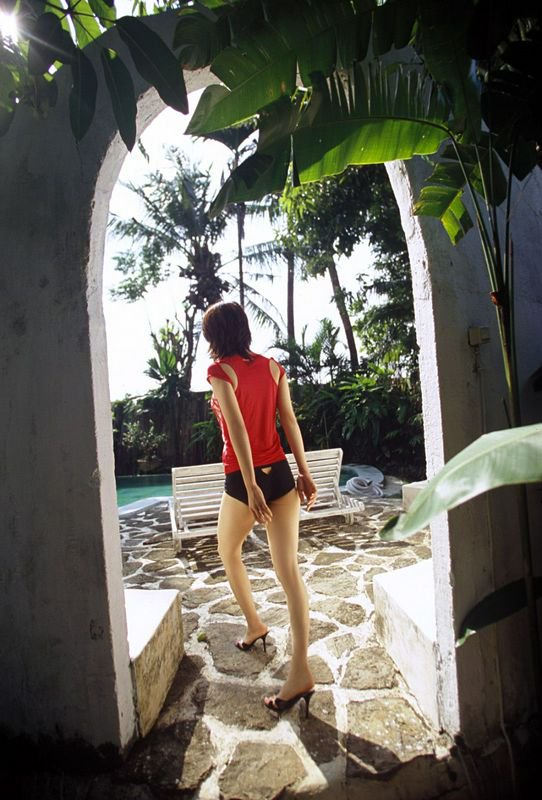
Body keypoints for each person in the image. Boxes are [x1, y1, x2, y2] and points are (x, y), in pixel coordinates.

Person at [202, 301, 318, 717]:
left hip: (243, 477)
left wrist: (250, 485)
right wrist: (304, 472)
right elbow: (290, 421)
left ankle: (254, 624)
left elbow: (236, 427)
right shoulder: (272, 367)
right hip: (282, 475)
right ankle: (300, 670)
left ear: (215, 336)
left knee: (227, 551)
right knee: (289, 572)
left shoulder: (220, 372)